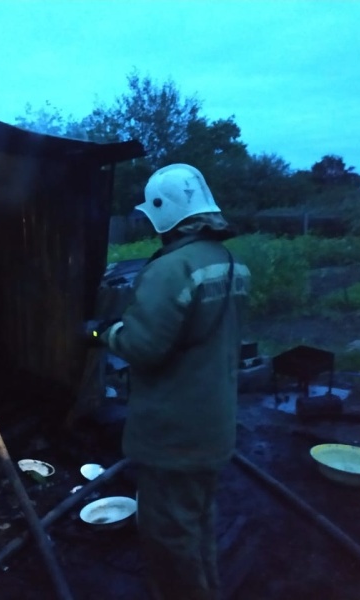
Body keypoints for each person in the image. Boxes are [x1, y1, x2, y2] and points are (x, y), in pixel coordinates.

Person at [101, 164, 250, 600]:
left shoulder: (172, 269)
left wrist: (102, 333)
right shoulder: (229, 262)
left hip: (173, 431)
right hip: (214, 422)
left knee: (168, 535)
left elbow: (144, 346)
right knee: (198, 520)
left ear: (165, 214)